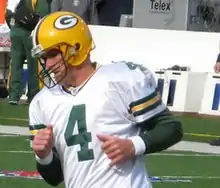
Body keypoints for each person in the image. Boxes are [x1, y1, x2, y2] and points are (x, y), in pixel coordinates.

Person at [29, 11, 183, 188]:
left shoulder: (120, 79)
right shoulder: (42, 102)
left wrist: (134, 145)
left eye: (53, 53)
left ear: (77, 47)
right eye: (43, 57)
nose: (47, 64)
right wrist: (45, 156)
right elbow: (55, 178)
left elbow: (171, 127)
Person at [6, 0, 51, 105]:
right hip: (30, 34)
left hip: (15, 32)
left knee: (16, 65)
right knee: (33, 66)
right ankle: (33, 96)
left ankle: (14, 96)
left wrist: (14, 29)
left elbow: (7, 14)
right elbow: (43, 16)